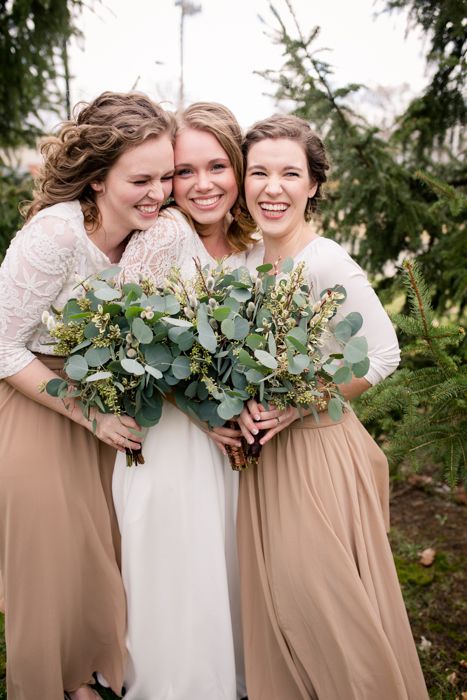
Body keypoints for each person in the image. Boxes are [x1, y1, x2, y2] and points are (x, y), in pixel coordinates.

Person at [235, 114, 429, 699]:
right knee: (281, 609)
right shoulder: (242, 264)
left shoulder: (325, 261)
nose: (273, 188)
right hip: (261, 459)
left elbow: (384, 353)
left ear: (313, 184)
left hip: (318, 452)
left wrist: (298, 404)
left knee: (327, 604)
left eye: (290, 173)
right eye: (259, 172)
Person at [0, 91, 176, 700]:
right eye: (141, 181)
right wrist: (88, 413)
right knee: (48, 568)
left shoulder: (150, 236)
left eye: (165, 177)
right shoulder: (55, 236)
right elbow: (2, 347)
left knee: (101, 555)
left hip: (107, 407)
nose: (159, 193)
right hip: (38, 402)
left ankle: (86, 679)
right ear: (97, 179)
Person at [112, 102, 256, 700]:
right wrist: (202, 411)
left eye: (216, 166)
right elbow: (123, 334)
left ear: (238, 168)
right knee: (176, 566)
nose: (201, 185)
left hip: (236, 443)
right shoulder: (166, 234)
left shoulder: (256, 246)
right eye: (183, 171)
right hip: (170, 437)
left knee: (225, 564)